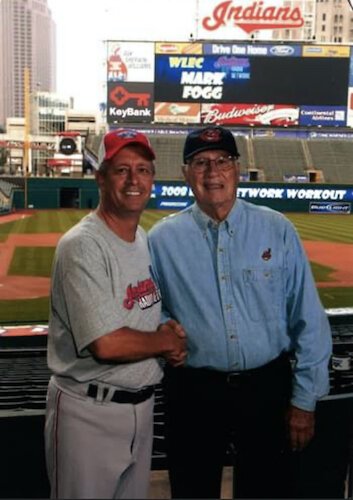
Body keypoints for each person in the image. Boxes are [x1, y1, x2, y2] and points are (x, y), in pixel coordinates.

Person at [148, 125, 332, 499]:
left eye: (222, 161)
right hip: (193, 392)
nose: (212, 172)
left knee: (266, 489)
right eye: (200, 162)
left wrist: (304, 399)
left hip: (267, 388)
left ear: (237, 168)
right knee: (192, 488)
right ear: (185, 173)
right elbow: (149, 312)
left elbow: (309, 319)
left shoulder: (276, 228)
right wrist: (163, 330)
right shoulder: (161, 241)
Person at [44, 128, 187, 499]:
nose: (134, 179)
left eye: (143, 169)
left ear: (153, 179)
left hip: (141, 409)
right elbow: (105, 343)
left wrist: (166, 335)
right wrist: (163, 341)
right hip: (88, 412)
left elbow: (140, 309)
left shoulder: (141, 240)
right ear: (101, 177)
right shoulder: (82, 245)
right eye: (122, 169)